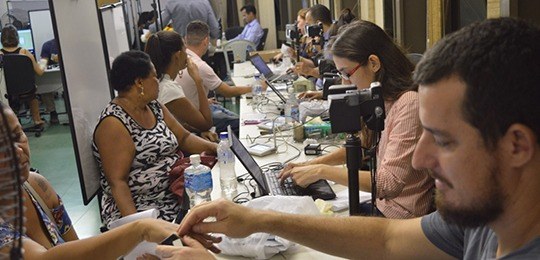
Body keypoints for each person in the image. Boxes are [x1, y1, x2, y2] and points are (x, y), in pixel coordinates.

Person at [178, 17, 540, 259]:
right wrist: (260, 220)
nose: (420, 160)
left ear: (517, 146)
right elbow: (386, 239)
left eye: (444, 140)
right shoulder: (479, 217)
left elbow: (390, 193)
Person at [0, 102, 217, 259]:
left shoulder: (37, 187)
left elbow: (79, 250)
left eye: (18, 135)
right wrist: (139, 230)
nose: (17, 151)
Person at [280, 20, 434, 218]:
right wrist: (311, 165)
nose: (345, 83)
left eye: (347, 74)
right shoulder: (382, 98)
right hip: (382, 205)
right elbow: (361, 146)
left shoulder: (409, 103)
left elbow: (388, 184)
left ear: (373, 63)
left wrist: (321, 171)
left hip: (400, 216)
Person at [92, 51, 218, 227]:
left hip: (174, 192)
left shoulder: (153, 106)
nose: (158, 82)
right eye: (154, 76)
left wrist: (216, 148)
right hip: (144, 207)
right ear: (139, 82)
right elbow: (117, 182)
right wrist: (141, 229)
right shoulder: (113, 123)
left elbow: (184, 137)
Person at [177, 21, 253, 136]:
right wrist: (253, 87)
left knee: (228, 113)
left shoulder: (179, 60)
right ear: (206, 41)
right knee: (243, 124)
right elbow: (227, 92)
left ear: (185, 39)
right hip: (195, 118)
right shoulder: (200, 65)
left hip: (185, 115)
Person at [144, 30, 217, 141]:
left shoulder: (160, 83)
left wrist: (199, 132)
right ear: (177, 55)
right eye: (185, 50)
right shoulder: (169, 89)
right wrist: (198, 80)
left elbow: (179, 123)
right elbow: (206, 123)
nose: (187, 55)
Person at [0, 25, 45, 128]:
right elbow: (39, 72)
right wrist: (44, 61)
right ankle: (37, 120)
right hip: (27, 90)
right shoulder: (24, 52)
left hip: (7, 91)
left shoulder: (0, 54)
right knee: (32, 96)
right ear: (17, 37)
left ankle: (12, 123)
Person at [148, 0, 219, 41]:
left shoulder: (172, 3)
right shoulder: (204, 2)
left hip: (182, 46)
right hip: (201, 45)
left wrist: (148, 31)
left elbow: (159, 25)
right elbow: (215, 28)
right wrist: (213, 39)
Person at [39, 39, 60, 125]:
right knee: (44, 85)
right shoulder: (47, 45)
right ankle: (52, 112)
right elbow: (43, 63)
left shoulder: (69, 44)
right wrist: (41, 66)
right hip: (53, 75)